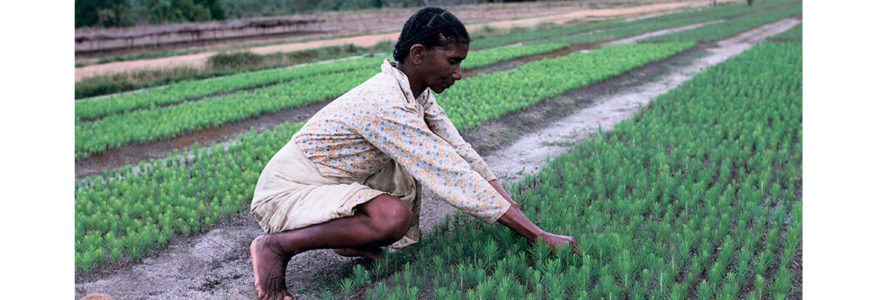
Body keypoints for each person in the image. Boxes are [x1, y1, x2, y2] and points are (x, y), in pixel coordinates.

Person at [249, 7, 579, 300]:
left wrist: (513, 208)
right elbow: (448, 171)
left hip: (330, 183)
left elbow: (459, 151)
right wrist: (537, 236)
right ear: (418, 54)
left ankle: (350, 238)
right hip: (288, 189)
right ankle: (275, 247)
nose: (459, 73)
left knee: (405, 184)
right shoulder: (385, 101)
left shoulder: (415, 94)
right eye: (453, 61)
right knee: (392, 218)